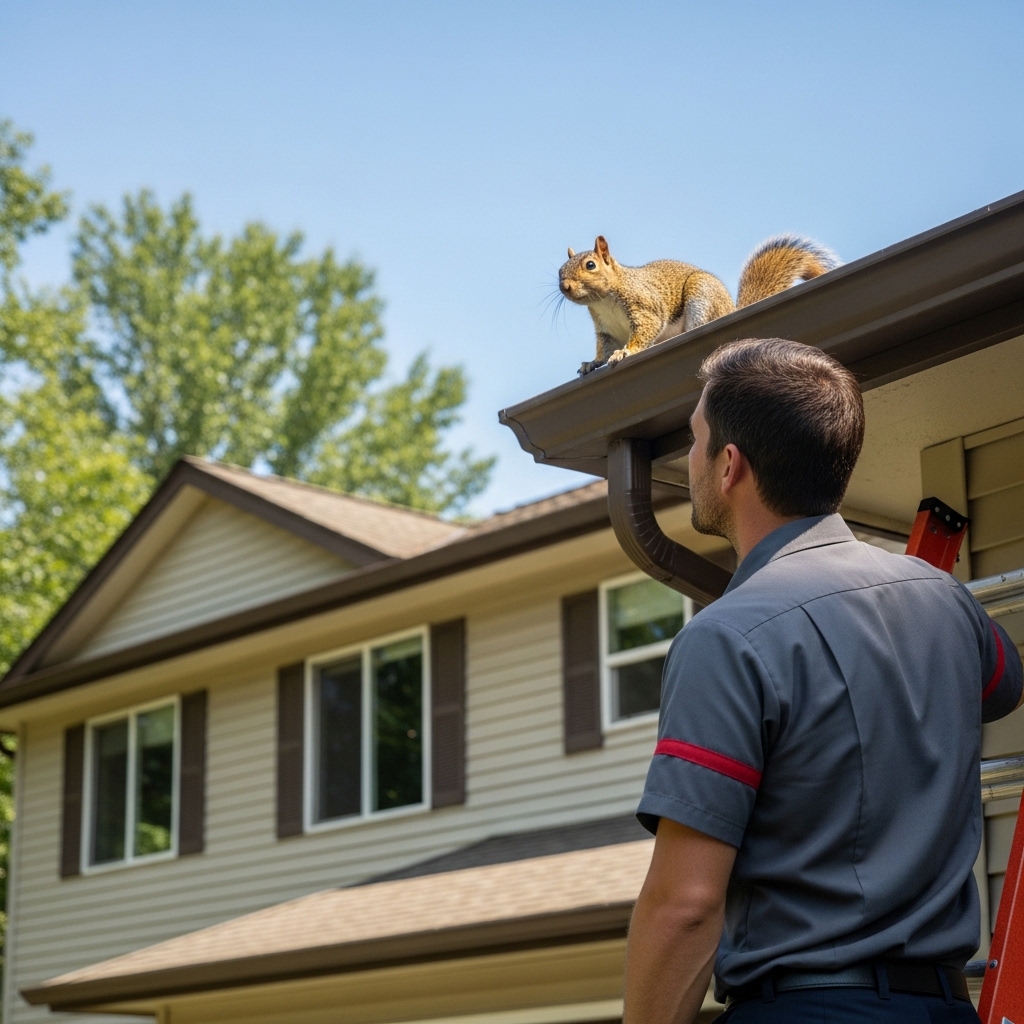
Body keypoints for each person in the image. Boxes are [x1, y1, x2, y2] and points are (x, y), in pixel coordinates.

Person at [622, 338, 1023, 1023]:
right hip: (947, 1008)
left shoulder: (727, 638)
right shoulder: (950, 604)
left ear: (728, 466)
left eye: (694, 441)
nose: (688, 459)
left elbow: (686, 908)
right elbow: (1002, 688)